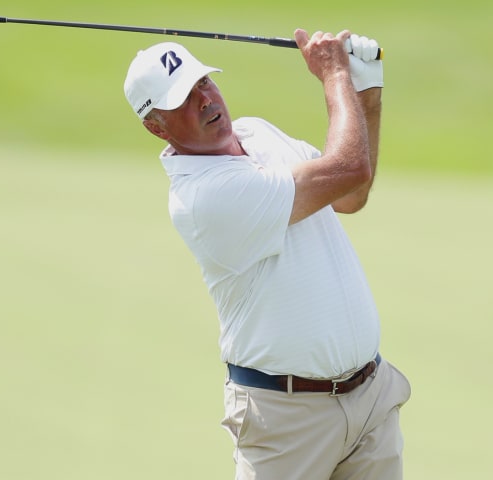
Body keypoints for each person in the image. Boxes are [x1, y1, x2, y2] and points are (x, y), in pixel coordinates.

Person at [123, 29, 411, 479]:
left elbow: (350, 194)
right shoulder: (204, 198)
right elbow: (347, 167)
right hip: (286, 420)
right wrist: (335, 75)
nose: (204, 99)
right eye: (182, 98)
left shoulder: (256, 132)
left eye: (203, 82)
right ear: (155, 126)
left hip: (370, 398)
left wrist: (367, 94)